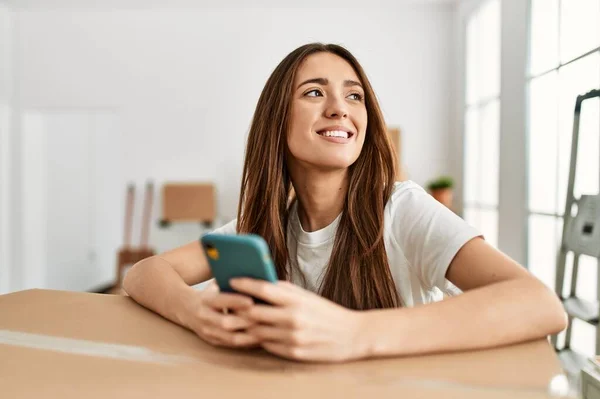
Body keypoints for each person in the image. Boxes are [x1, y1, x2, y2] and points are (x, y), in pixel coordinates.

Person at [123, 43, 566, 363]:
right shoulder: (263, 227)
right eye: (315, 93)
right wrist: (195, 311)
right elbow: (143, 274)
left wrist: (354, 333)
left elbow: (540, 304)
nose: (340, 108)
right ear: (277, 119)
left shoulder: (402, 209)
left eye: (354, 95)